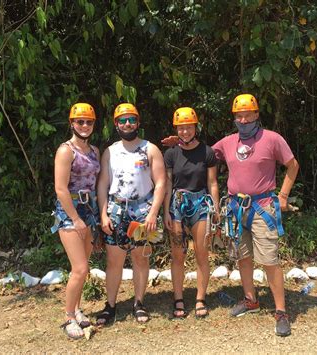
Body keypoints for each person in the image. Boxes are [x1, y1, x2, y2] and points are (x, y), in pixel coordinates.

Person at [162, 94, 299, 336]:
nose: (243, 119)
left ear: (257, 114)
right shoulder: (227, 143)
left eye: (248, 114)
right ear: (234, 118)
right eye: (239, 115)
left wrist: (284, 196)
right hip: (236, 208)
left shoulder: (272, 139)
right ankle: (251, 300)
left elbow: (293, 165)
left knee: (269, 259)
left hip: (262, 206)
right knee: (243, 258)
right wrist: (181, 140)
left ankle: (280, 311)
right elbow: (197, 154)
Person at [97, 103, 166, 324]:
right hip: (116, 210)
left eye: (132, 120)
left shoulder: (150, 149)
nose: (128, 124)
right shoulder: (110, 151)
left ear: (138, 122)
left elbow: (161, 182)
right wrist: (103, 214)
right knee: (114, 261)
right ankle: (110, 305)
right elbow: (103, 184)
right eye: (123, 120)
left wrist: (153, 213)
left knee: (141, 259)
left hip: (143, 211)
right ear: (116, 124)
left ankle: (139, 302)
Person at [163, 107, 219, 319]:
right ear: (176, 128)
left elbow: (212, 182)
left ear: (196, 127)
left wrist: (214, 208)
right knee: (178, 253)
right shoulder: (171, 154)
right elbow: (167, 184)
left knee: (201, 252)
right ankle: (178, 298)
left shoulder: (207, 152)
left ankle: (200, 298)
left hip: (200, 203)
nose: (185, 132)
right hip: (177, 203)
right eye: (181, 128)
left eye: (188, 127)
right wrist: (166, 211)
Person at [51, 103, 101, 339]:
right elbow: (60, 188)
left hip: (89, 208)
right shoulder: (66, 151)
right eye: (80, 121)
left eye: (88, 122)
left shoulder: (95, 151)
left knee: (85, 267)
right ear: (71, 123)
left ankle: (78, 308)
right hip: (70, 209)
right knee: (79, 269)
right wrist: (74, 218)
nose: (84, 125)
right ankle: (69, 316)